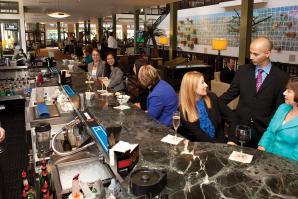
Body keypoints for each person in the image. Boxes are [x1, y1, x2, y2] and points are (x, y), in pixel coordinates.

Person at [220, 37, 288, 147]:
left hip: (263, 133)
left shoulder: (281, 77)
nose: (251, 57)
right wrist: (211, 102)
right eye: (250, 53)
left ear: (267, 53)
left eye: (256, 54)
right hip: (239, 128)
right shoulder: (243, 71)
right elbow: (230, 94)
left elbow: (279, 109)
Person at [179, 71, 236, 142]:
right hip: (201, 148)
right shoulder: (184, 111)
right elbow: (202, 138)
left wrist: (231, 141)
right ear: (192, 87)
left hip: (222, 142)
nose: (206, 85)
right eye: (202, 82)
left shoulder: (212, 97)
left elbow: (232, 118)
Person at [258, 78, 298, 161]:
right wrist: (261, 148)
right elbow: (269, 131)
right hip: (265, 156)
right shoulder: (282, 107)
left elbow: (296, 155)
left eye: (289, 91)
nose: (284, 93)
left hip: (286, 165)